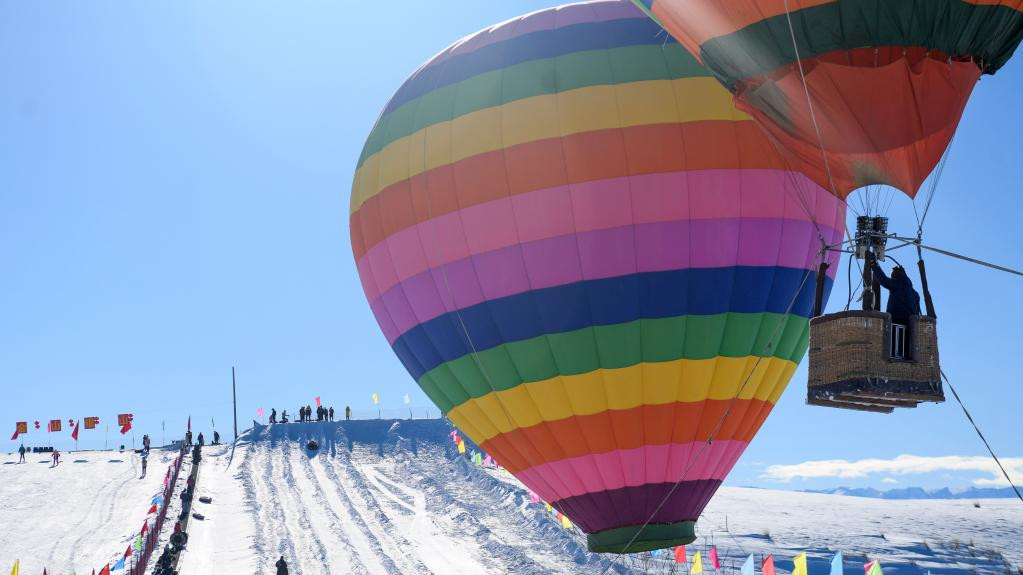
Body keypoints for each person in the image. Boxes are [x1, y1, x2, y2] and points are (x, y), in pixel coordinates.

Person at [871, 257, 922, 356]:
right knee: (905, 349)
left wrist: (874, 265)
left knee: (893, 348)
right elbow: (917, 310)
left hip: (895, 322)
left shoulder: (897, 284)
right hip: (910, 325)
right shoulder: (915, 293)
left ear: (895, 276)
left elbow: (883, 280)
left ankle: (893, 356)